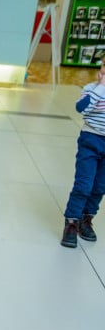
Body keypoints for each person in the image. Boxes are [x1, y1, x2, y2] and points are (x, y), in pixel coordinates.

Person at [62, 63, 105, 248]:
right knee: (84, 184)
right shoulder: (91, 89)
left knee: (99, 187)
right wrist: (101, 87)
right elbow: (82, 108)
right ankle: (72, 221)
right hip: (91, 140)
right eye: (103, 72)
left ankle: (86, 219)